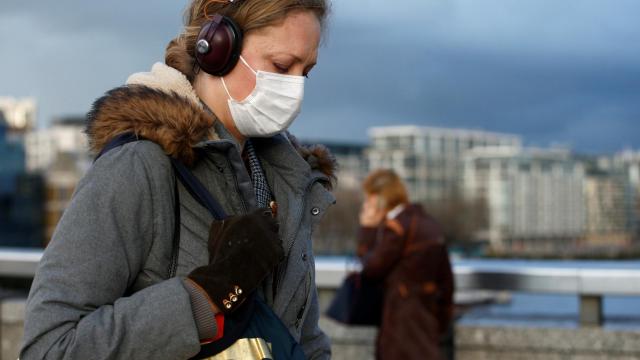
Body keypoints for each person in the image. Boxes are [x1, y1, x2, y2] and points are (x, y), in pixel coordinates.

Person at [20, 0, 335, 359]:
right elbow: (49, 347)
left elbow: (304, 341)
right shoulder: (138, 166)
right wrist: (205, 296)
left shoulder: (289, 183)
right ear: (217, 48)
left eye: (304, 71)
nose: (294, 88)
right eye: (281, 66)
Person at [357, 169, 455, 360]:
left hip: (401, 325)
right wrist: (440, 323)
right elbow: (447, 283)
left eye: (368, 199)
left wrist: (367, 229)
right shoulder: (429, 223)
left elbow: (371, 269)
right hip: (427, 322)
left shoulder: (398, 227)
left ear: (377, 198)